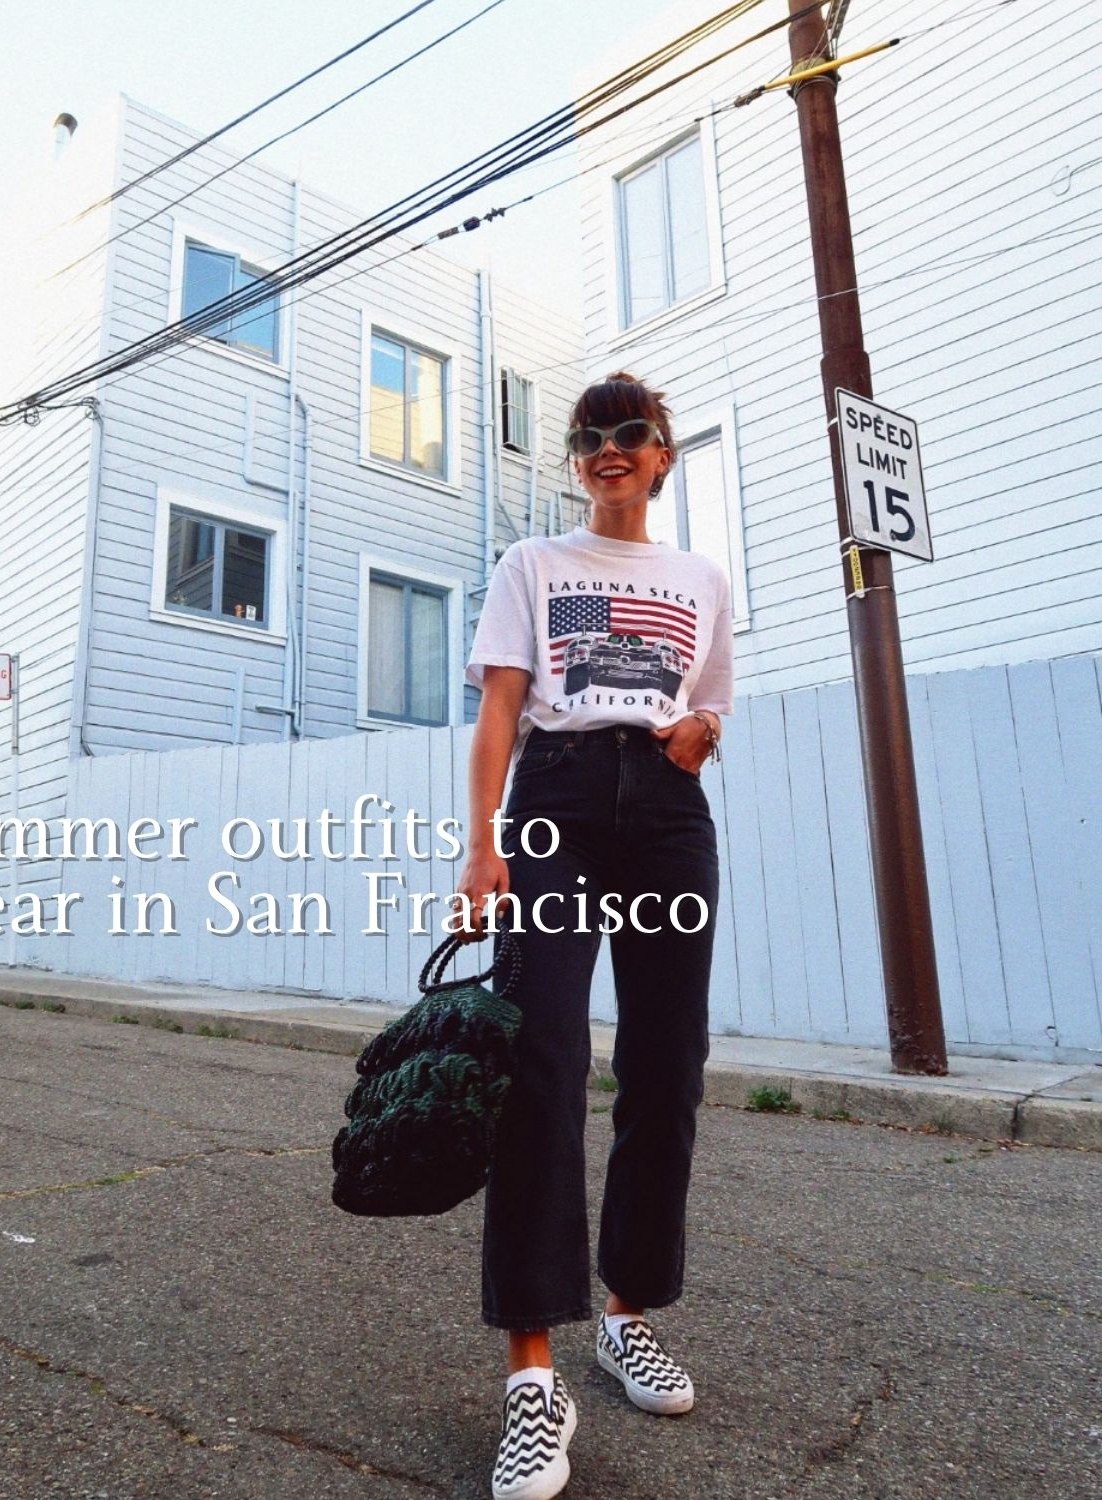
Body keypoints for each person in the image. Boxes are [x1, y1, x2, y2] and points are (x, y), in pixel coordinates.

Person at [459, 371, 735, 1500]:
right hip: (558, 798)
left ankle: (627, 1315)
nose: (609, 449)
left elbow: (706, 704)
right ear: (576, 461)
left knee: (667, 1068)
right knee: (542, 1062)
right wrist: (484, 844)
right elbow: (498, 709)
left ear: (663, 455)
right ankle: (533, 1378)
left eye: (631, 434)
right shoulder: (531, 566)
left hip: (666, 818)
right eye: (591, 438)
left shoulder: (702, 580)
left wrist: (701, 733)